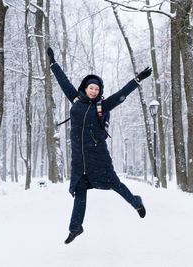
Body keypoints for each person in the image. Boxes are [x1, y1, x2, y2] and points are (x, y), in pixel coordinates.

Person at [47, 47, 152, 244]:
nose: (94, 91)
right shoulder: (76, 99)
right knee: (80, 190)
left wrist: (137, 80)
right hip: (79, 157)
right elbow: (63, 82)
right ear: (85, 88)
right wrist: (53, 63)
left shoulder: (102, 105)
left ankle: (136, 202)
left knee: (115, 184)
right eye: (91, 88)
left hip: (97, 155)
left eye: (97, 88)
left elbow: (122, 94)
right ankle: (75, 227)